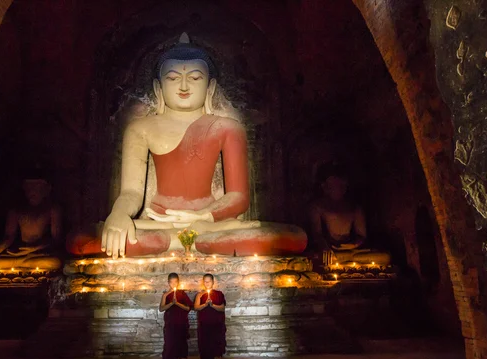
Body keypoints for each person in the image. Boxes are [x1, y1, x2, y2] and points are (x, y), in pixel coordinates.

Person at [66, 33, 307, 258]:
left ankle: (182, 240)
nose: (183, 86)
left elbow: (238, 197)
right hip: (159, 222)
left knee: (292, 237)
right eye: (173, 78)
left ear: (210, 87)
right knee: (84, 239)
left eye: (194, 78)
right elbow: (131, 193)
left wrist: (203, 217)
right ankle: (195, 242)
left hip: (209, 223)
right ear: (158, 88)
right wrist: (118, 215)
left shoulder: (228, 128)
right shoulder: (141, 128)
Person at [309, 163, 390, 266]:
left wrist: (352, 244)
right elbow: (317, 234)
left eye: (342, 185)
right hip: (331, 251)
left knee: (384, 257)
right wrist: (326, 248)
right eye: (334, 184)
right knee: (321, 258)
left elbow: (361, 236)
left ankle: (347, 262)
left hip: (351, 251)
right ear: (324, 187)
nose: (339, 188)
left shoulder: (355, 207)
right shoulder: (317, 207)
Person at [0, 168, 62, 271]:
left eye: (37, 187)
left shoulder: (52, 209)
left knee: (55, 262)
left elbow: (56, 239)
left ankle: (22, 262)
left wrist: (35, 248)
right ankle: (23, 262)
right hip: (19, 252)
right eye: (29, 187)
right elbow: (8, 236)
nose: (32, 191)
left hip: (39, 252)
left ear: (47, 189)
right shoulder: (16, 210)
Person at [159, 272, 192, 359]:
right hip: (170, 324)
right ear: (168, 283)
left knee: (180, 344)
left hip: (181, 323)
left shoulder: (182, 294)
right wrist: (171, 303)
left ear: (178, 282)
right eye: (171, 282)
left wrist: (177, 303)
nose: (173, 284)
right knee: (170, 345)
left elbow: (188, 308)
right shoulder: (165, 295)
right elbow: (161, 308)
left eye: (175, 282)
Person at [194, 273, 226, 359]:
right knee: (205, 345)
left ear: (213, 282)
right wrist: (205, 304)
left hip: (215, 324)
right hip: (204, 324)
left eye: (209, 281)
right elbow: (196, 307)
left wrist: (212, 305)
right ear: (203, 282)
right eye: (205, 281)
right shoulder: (200, 294)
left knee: (214, 344)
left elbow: (222, 308)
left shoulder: (219, 294)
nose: (207, 283)